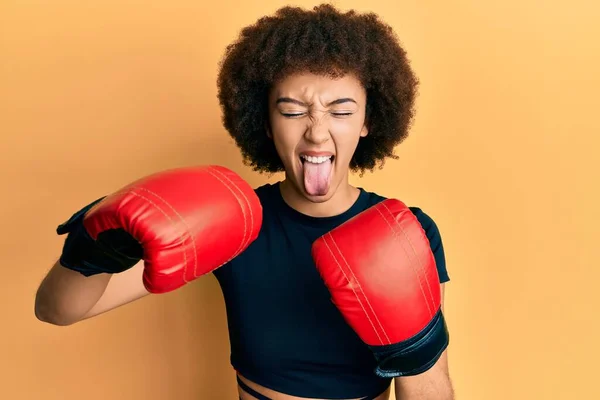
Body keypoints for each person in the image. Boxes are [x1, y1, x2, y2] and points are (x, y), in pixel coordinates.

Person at [35, 4, 454, 400]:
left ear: (369, 122)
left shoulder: (408, 231)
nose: (317, 133)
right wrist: (94, 248)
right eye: (292, 111)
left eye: (341, 111)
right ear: (265, 123)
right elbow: (57, 311)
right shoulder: (234, 222)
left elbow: (429, 383)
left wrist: (416, 350)